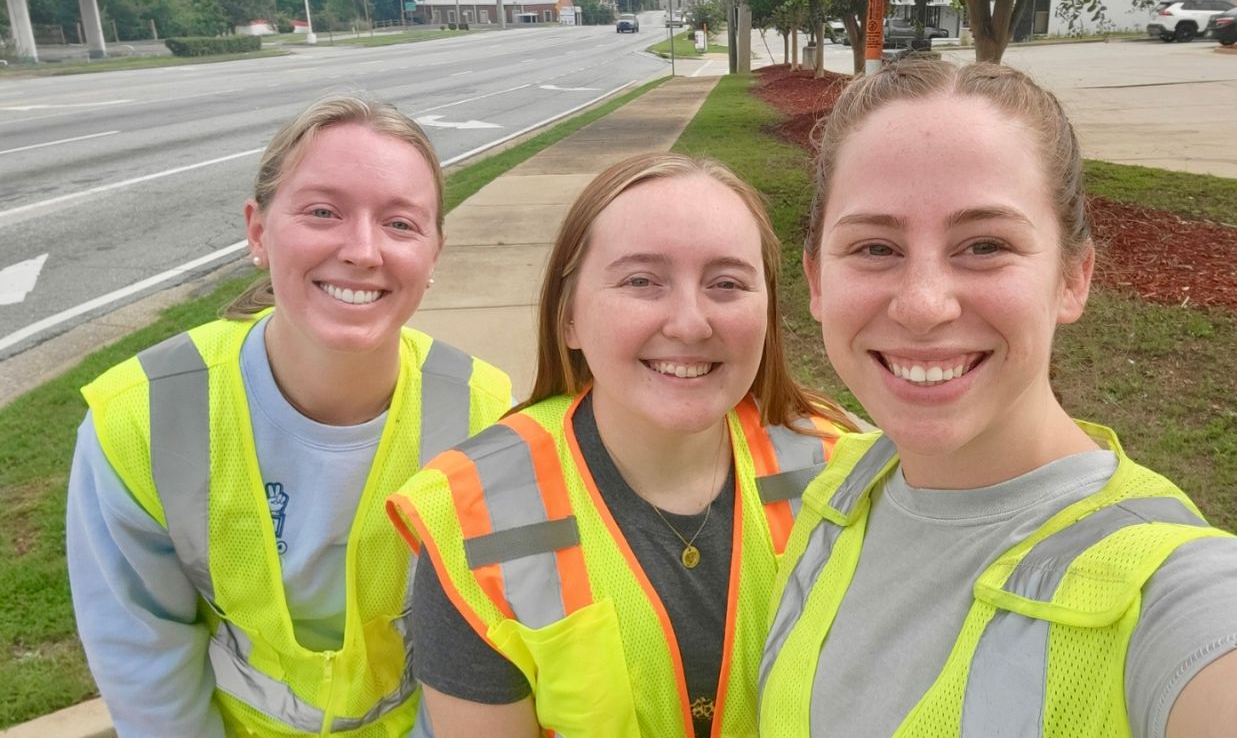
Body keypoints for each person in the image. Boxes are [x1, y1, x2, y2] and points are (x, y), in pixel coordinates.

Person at [757, 60, 1237, 737]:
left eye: (985, 245)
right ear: (817, 280)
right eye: (876, 246)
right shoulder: (837, 495)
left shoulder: (1176, 592)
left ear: (1073, 277)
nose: (922, 304)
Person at [66, 95, 512, 737]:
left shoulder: (484, 414)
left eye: (401, 224)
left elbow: (485, 644)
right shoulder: (144, 417)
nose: (363, 250)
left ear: (434, 253)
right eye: (323, 212)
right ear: (257, 231)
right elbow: (142, 653)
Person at [385, 152, 858, 738]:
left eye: (727, 284)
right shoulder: (472, 519)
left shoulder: (845, 475)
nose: (690, 323)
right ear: (569, 319)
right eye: (641, 281)